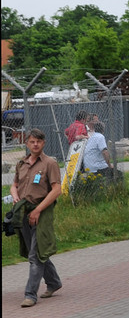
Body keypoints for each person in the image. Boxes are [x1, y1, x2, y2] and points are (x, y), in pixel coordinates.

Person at [11, 128, 63, 308]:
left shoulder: (50, 163)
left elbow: (57, 190)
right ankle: (54, 282)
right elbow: (14, 185)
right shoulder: (21, 163)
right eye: (32, 141)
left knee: (35, 254)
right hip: (24, 211)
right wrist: (15, 196)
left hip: (42, 211)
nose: (35, 144)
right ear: (27, 143)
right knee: (35, 252)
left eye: (38, 142)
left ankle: (30, 295)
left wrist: (38, 210)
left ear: (44, 143)